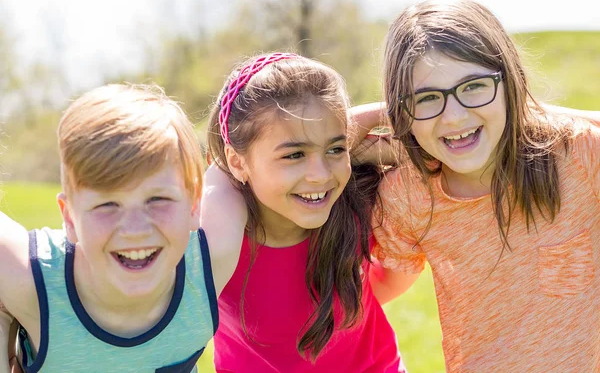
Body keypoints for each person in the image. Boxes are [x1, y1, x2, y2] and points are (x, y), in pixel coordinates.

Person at [354, 0, 600, 372]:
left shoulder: (578, 156)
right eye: (427, 98)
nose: (454, 117)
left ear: (509, 81)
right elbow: (324, 140)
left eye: (474, 86)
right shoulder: (410, 196)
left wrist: (527, 111)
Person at [0, 84, 246, 373]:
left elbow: (251, 147)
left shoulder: (209, 263)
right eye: (107, 205)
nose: (134, 230)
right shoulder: (31, 281)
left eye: (157, 199)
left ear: (194, 206)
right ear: (69, 218)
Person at [206, 52, 407, 372]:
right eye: (295, 154)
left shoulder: (357, 203)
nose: (320, 174)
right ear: (236, 161)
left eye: (336, 149)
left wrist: (339, 129)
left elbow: (427, 141)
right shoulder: (216, 228)